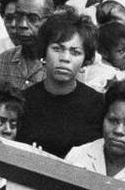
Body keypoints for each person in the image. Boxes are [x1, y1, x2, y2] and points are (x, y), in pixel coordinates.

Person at [16, 12, 106, 158]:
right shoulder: (22, 101)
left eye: (75, 52)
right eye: (57, 49)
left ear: (85, 60)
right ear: (44, 52)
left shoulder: (99, 105)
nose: (65, 58)